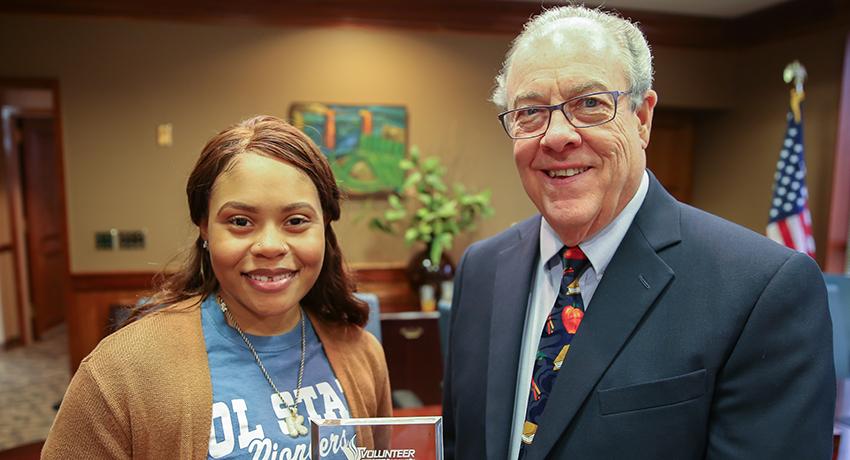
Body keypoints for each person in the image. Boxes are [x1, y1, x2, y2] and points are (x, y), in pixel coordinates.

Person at [442, 6, 835, 460]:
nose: (557, 136)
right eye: (531, 111)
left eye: (589, 103)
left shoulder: (761, 289)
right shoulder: (482, 269)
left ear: (642, 118)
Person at [43, 116, 392, 459]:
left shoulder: (362, 354)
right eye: (240, 222)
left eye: (296, 221)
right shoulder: (122, 371)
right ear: (205, 228)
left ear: (325, 227)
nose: (270, 245)